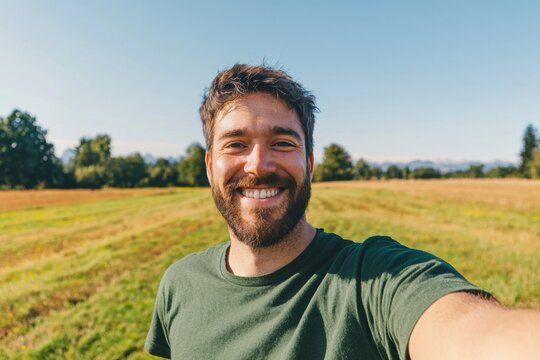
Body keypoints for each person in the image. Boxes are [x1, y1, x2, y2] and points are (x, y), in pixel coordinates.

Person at [145, 64, 539, 360]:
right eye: (236, 144)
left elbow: (476, 335)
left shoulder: (373, 281)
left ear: (310, 163)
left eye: (283, 142)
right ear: (209, 164)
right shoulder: (179, 285)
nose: (259, 164)